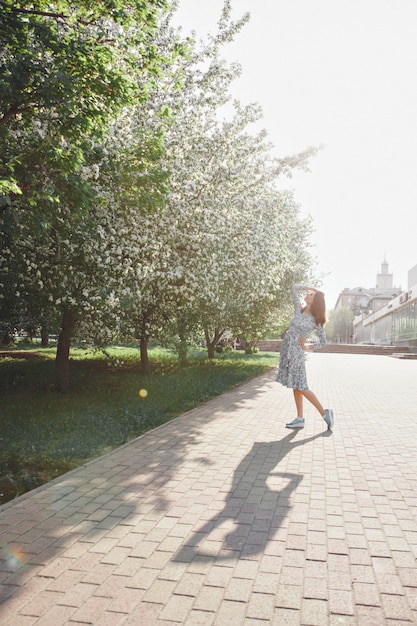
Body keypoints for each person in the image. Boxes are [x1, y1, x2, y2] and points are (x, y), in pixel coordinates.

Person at [277, 284, 334, 430]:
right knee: (295, 386)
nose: (307, 295)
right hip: (287, 349)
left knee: (301, 386)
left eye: (311, 295)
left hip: (296, 352)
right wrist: (312, 288)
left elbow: (323, 342)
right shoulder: (299, 310)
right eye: (308, 294)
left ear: (315, 302)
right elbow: (293, 288)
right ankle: (299, 418)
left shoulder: (316, 320)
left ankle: (324, 413)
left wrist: (307, 346)